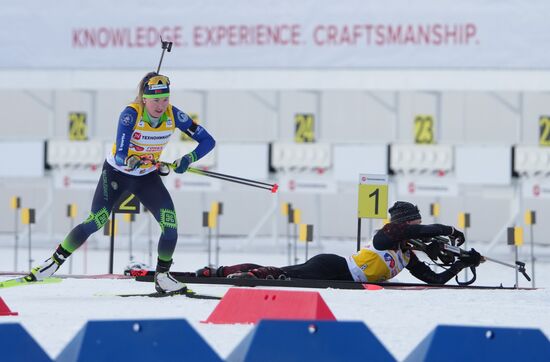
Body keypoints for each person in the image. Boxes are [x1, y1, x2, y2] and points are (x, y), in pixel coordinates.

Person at [27, 72, 215, 293]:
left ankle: (162, 276)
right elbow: (120, 154)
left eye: (165, 99)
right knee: (96, 221)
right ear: (144, 98)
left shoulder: (175, 115)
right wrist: (130, 159)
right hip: (117, 174)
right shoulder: (130, 115)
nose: (161, 105)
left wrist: (188, 159)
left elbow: (208, 141)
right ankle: (54, 262)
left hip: (147, 178)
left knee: (170, 226)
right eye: (155, 100)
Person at [197, 201, 482, 285]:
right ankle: (230, 273)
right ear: (403, 224)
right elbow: (406, 232)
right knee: (284, 274)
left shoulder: (407, 256)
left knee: (284, 271)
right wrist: (448, 228)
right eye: (415, 225)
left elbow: (433, 280)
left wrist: (461, 264)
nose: (420, 230)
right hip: (333, 267)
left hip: (339, 272)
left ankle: (222, 271)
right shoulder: (386, 235)